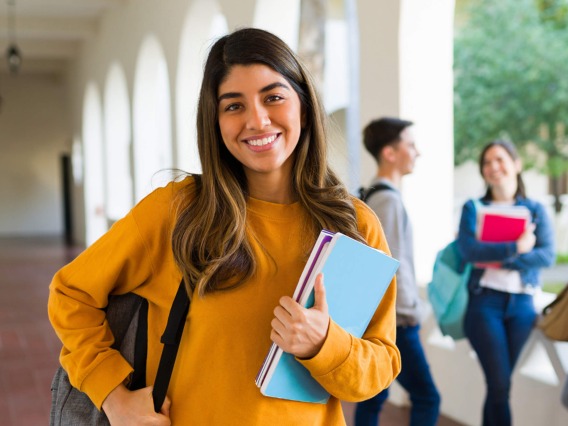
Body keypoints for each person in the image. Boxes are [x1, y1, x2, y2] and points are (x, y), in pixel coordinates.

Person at [48, 28, 401, 425]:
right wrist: (114, 399)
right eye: (233, 106)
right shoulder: (178, 212)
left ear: (302, 104)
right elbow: (70, 294)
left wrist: (324, 345)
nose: (257, 120)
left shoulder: (353, 225)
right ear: (214, 121)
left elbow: (379, 366)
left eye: (273, 97)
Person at [456, 139, 555, 426]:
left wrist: (501, 256)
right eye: (487, 162)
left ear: (517, 164)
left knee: (500, 388)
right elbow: (469, 251)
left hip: (523, 305)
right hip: (484, 303)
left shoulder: (535, 209)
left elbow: (546, 255)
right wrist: (516, 247)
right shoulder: (473, 208)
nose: (493, 166)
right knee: (499, 385)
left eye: (500, 159)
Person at [355, 117, 440, 426]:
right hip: (397, 319)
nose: (417, 152)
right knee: (428, 398)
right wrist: (408, 311)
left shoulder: (370, 193)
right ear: (390, 153)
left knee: (374, 395)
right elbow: (391, 265)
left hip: (380, 316)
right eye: (411, 145)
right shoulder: (388, 200)